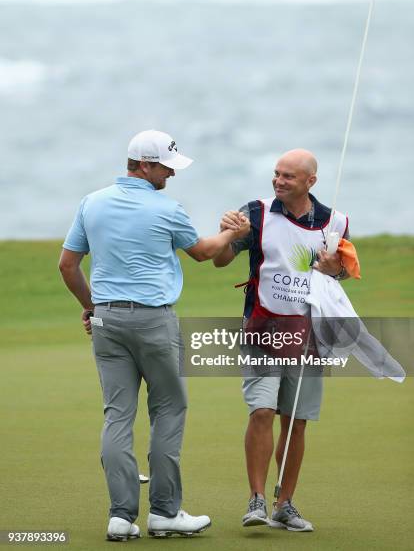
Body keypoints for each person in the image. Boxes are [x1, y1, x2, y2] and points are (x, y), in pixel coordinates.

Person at [59, 130, 249, 541]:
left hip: (107, 322)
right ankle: (164, 513)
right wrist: (233, 234)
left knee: (117, 415)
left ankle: (120, 517)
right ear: (144, 165)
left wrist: (93, 308)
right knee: (168, 409)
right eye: (166, 167)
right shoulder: (166, 208)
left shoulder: (91, 203)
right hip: (153, 321)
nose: (171, 175)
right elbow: (203, 252)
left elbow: (68, 266)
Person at [213, 148, 350, 532]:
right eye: (276, 173)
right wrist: (229, 235)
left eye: (288, 176)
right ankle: (256, 499)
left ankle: (284, 504)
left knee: (296, 422)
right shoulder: (256, 212)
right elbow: (220, 260)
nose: (278, 181)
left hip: (309, 335)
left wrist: (333, 268)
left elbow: (342, 274)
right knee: (261, 411)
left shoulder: (334, 221)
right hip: (263, 328)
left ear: (311, 181)